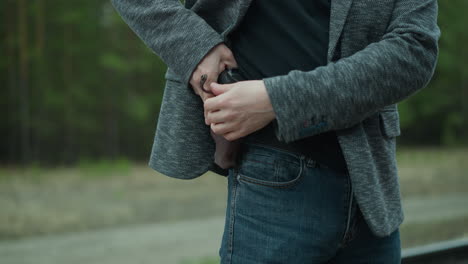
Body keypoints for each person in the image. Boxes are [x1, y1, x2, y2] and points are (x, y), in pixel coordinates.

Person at [110, 0, 440, 263]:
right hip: (273, 173)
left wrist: (276, 100)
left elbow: (415, 48)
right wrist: (194, 45)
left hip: (371, 184)